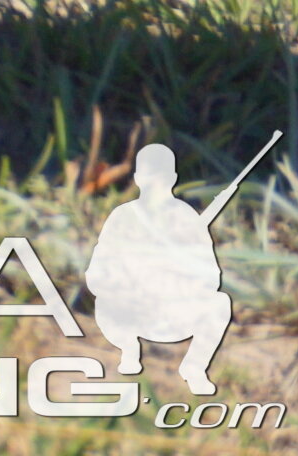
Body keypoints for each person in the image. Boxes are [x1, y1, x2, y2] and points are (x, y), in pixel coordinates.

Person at [81, 142, 237, 394]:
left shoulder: (187, 219)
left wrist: (181, 276)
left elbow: (211, 278)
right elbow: (97, 273)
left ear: (173, 178)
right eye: (150, 177)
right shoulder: (123, 217)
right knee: (106, 302)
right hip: (130, 311)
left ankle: (194, 368)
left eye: (161, 178)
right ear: (138, 179)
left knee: (219, 304)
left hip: (174, 312)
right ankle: (129, 351)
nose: (155, 185)